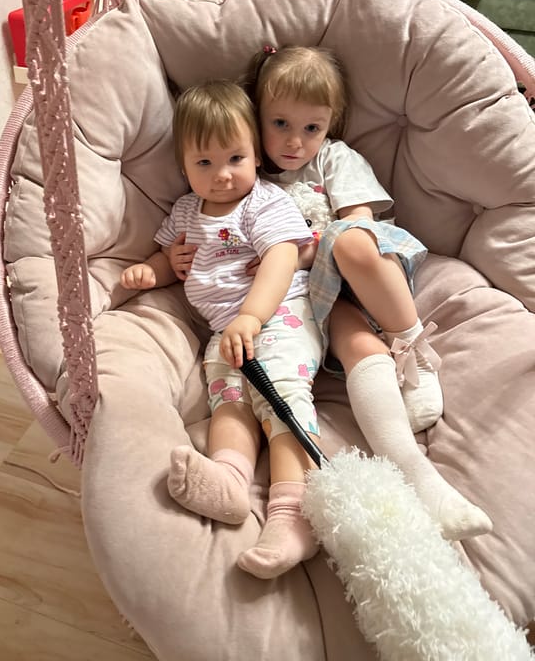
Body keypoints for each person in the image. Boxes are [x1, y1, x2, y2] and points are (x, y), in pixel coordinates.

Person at [170, 47, 493, 542]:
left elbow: (359, 225)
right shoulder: (243, 173)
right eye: (279, 124)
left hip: (363, 279)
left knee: (346, 243)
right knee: (348, 337)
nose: (294, 142)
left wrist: (293, 252)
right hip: (307, 305)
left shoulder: (334, 161)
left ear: (330, 126)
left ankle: (410, 352)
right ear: (256, 119)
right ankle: (414, 478)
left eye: (311, 129)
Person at [121, 80, 324, 579]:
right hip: (224, 334)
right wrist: (156, 267)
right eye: (203, 164)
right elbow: (172, 262)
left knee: (277, 397)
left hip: (278, 318)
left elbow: (281, 257)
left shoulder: (263, 204)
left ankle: (294, 516)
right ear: (184, 167)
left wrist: (251, 316)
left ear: (256, 155)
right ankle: (231, 480)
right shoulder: (186, 212)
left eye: (235, 158)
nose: (221, 176)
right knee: (228, 400)